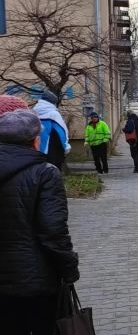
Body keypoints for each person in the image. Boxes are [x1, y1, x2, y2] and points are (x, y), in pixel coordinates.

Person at [0, 109, 80, 335]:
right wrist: (69, 268)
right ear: (35, 140)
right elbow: (53, 231)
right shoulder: (44, 173)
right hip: (35, 280)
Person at [33, 90, 71, 170]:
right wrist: (65, 147)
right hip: (51, 151)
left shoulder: (33, 112)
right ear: (53, 102)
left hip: (35, 151)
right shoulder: (53, 114)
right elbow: (61, 132)